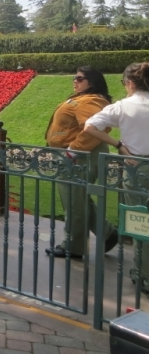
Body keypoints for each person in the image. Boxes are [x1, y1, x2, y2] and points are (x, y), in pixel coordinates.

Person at [83, 62, 149, 285]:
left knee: (140, 221)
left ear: (130, 83)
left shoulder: (123, 106)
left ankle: (144, 274)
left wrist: (118, 144)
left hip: (136, 167)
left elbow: (90, 126)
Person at [44, 66, 118, 258]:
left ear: (92, 82)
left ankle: (73, 246)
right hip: (77, 155)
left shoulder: (91, 100)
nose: (75, 81)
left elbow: (94, 129)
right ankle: (108, 233)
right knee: (78, 199)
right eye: (74, 78)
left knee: (74, 201)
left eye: (79, 78)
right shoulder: (83, 99)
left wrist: (72, 150)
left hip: (80, 156)